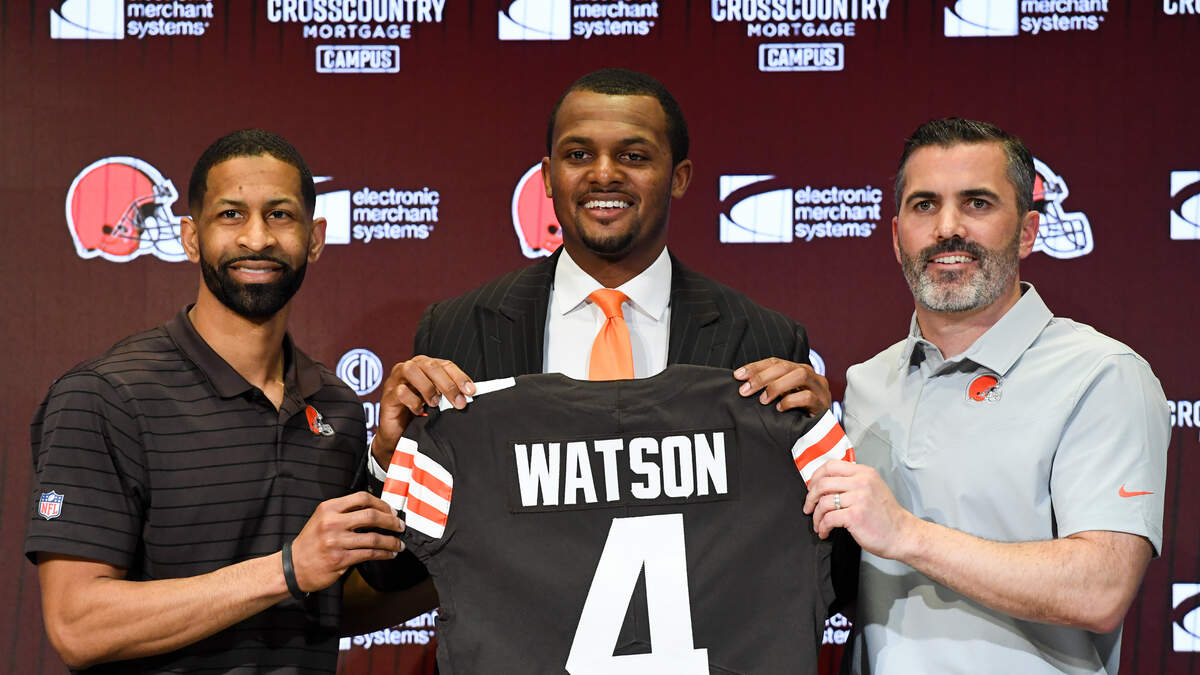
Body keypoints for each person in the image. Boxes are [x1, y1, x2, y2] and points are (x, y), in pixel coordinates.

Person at [25, 129, 433, 673]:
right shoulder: (103, 397)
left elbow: (325, 602)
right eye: (231, 215)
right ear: (191, 237)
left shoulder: (335, 405)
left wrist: (482, 565)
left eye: (280, 215)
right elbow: (78, 625)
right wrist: (286, 569)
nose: (257, 238)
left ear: (315, 238)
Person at [803, 118, 1169, 674]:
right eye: (925, 205)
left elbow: (1101, 589)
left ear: (1027, 231)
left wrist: (905, 534)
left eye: (977, 203)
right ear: (897, 236)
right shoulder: (867, 383)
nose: (948, 228)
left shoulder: (1103, 375)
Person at [369, 67, 831, 475]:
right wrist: (389, 456)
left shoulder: (763, 340)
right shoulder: (457, 331)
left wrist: (822, 452)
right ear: (548, 177)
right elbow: (409, 541)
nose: (604, 174)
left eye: (634, 156)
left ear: (679, 177)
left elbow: (798, 530)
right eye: (578, 155)